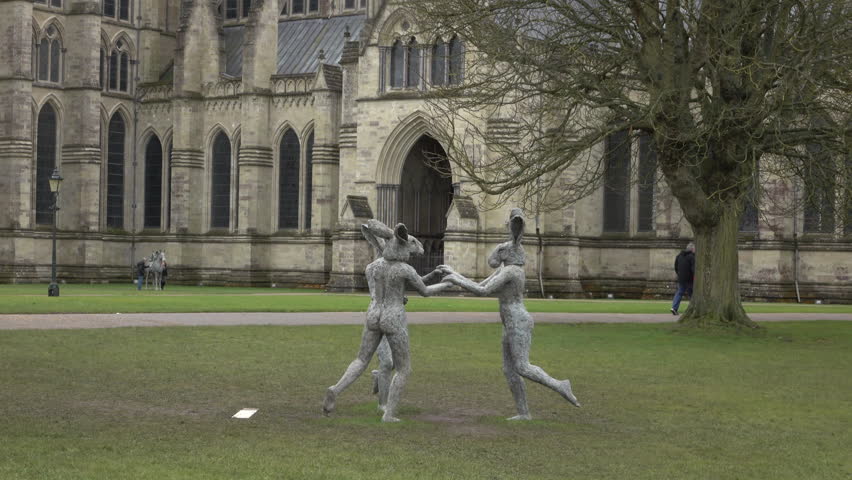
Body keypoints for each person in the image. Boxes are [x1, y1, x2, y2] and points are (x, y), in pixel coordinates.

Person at [439, 209, 580, 420]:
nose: (497, 253)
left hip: (517, 321)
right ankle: (523, 413)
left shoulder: (511, 272)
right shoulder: (504, 270)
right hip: (509, 323)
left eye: (502, 250)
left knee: (522, 366)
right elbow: (481, 284)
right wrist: (455, 274)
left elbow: (482, 291)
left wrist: (455, 279)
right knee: (509, 369)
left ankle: (560, 385)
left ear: (511, 250)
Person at [671, 242, 695, 315]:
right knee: (692, 294)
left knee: (679, 292)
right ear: (692, 249)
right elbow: (693, 269)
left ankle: (674, 308)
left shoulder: (679, 256)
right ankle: (692, 309)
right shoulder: (692, 257)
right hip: (689, 278)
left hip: (681, 278)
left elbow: (676, 267)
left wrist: (679, 274)